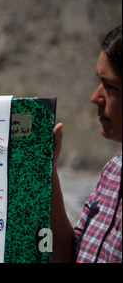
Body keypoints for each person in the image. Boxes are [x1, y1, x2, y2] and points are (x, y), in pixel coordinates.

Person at [51, 24, 122, 262]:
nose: (95, 98)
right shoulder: (114, 170)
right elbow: (72, 256)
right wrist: (47, 172)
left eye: (110, 86)